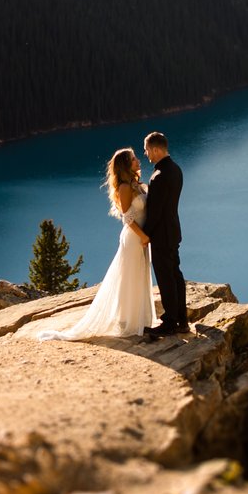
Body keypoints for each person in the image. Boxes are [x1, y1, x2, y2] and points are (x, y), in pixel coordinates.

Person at [28, 148, 158, 341]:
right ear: (125, 165)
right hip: (133, 238)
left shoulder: (137, 184)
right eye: (133, 159)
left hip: (142, 237)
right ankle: (128, 322)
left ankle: (140, 320)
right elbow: (127, 218)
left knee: (139, 276)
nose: (138, 160)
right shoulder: (124, 187)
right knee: (130, 277)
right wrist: (144, 237)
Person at [139, 130, 190, 340]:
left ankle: (170, 322)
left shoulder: (159, 176)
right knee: (175, 275)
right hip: (173, 231)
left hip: (161, 235)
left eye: (147, 150)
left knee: (166, 278)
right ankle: (182, 320)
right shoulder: (176, 169)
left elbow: (155, 212)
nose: (146, 154)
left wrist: (144, 235)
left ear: (156, 149)